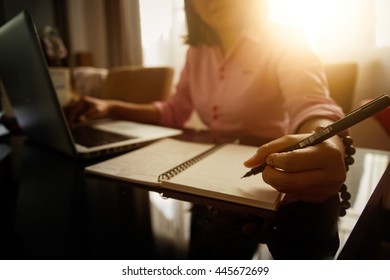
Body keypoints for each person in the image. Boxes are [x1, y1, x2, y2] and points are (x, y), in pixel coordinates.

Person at [65, 0, 347, 205]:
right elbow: (174, 111)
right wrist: (110, 106)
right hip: (202, 178)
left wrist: (323, 137)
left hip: (264, 169)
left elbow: (312, 103)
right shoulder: (197, 52)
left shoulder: (284, 37)